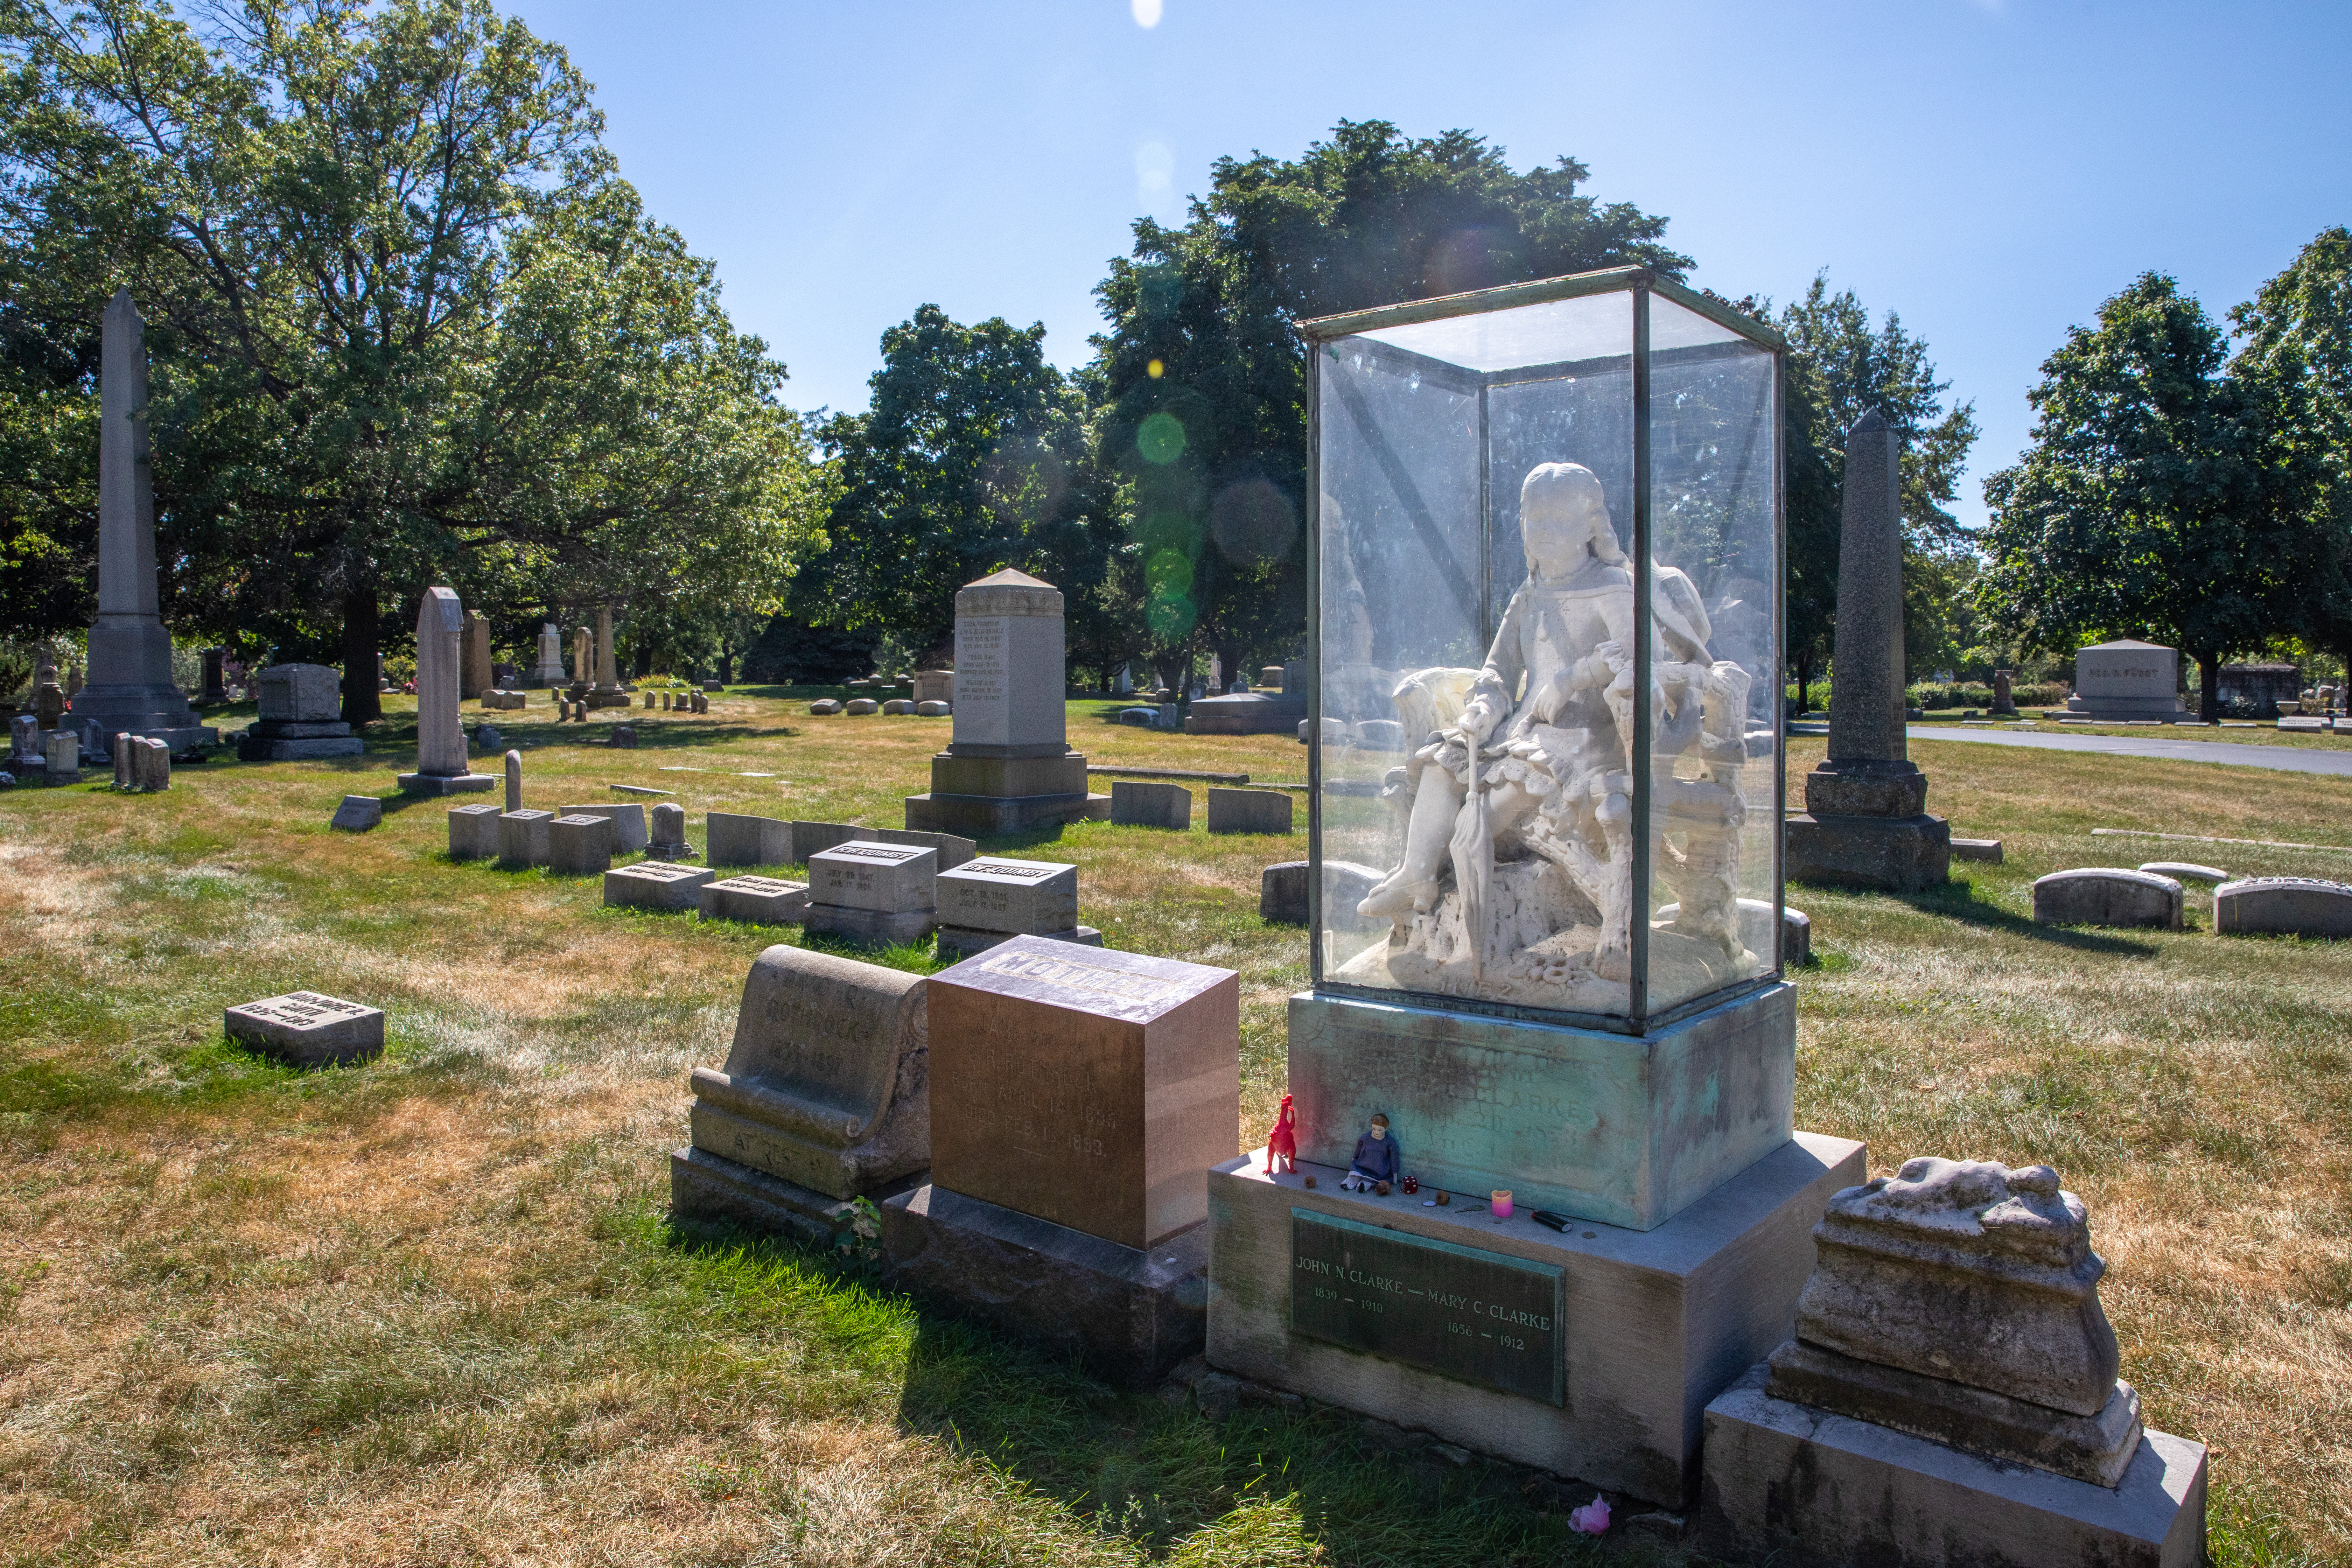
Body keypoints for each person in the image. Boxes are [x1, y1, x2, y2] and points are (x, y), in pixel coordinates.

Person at [1341, 1113, 1398, 1191]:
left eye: (1380, 1130)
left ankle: (1364, 1185)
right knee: (1356, 1174)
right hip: (1362, 1165)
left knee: (1369, 1181)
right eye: (1374, 1129)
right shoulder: (1367, 1137)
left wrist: (1395, 1173)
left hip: (1378, 1170)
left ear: (1386, 1128)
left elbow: (1394, 1157)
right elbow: (1359, 1146)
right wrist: (1355, 1157)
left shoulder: (1389, 1142)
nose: (1376, 1132)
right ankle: (1352, 1182)